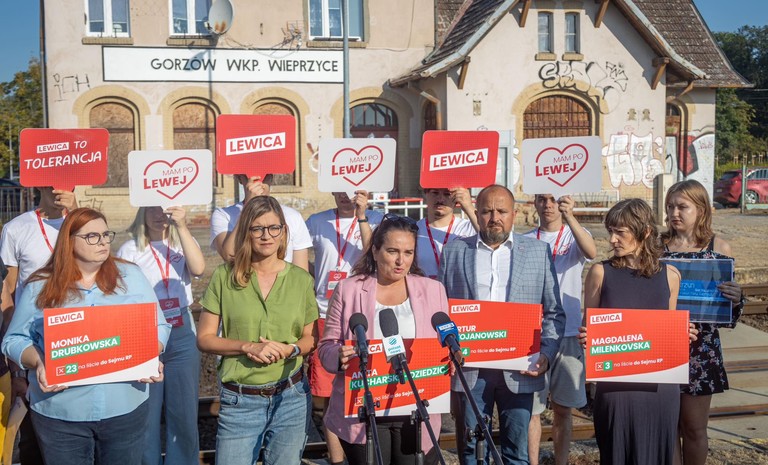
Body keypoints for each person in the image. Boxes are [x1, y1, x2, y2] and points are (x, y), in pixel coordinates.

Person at [1, 207, 170, 465]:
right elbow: (13, 340)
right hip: (61, 414)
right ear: (69, 241)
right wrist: (40, 362)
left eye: (106, 234)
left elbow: (160, 326)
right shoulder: (40, 285)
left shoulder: (131, 275)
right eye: (92, 236)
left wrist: (149, 353)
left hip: (124, 408)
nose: (103, 242)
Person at [439, 184, 565, 465]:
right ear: (476, 213)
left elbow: (554, 313)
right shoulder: (454, 251)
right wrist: (447, 347)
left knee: (516, 453)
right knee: (472, 452)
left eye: (502, 211)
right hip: (471, 368)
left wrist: (546, 354)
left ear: (514, 214)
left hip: (520, 368)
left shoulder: (538, 252)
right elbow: (441, 311)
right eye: (487, 211)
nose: (494, 217)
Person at [317, 213, 448, 465]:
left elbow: (443, 343)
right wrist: (338, 356)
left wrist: (451, 357)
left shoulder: (434, 290)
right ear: (375, 251)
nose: (401, 261)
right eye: (392, 251)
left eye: (408, 253)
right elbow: (326, 346)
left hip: (415, 407)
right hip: (363, 409)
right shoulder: (349, 289)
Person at [197, 196, 318, 465]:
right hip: (240, 400)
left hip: (291, 398)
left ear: (284, 231)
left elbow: (310, 338)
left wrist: (291, 349)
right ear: (246, 232)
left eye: (274, 228)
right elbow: (204, 338)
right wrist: (247, 346)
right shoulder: (224, 277)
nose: (266, 236)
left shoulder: (301, 279)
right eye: (257, 228)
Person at [580, 198, 693, 465]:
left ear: (645, 232)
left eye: (620, 232)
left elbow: (668, 330)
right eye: (610, 231)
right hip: (616, 388)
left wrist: (682, 334)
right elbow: (589, 327)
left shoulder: (670, 276)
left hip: (659, 388)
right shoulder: (600, 272)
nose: (612, 240)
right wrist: (588, 337)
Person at [660, 180, 743, 465]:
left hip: (701, 350)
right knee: (668, 429)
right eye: (670, 206)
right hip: (663, 344)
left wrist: (736, 298)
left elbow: (726, 313)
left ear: (701, 209)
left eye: (682, 207)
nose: (674, 213)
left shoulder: (718, 246)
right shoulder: (656, 246)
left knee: (694, 429)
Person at [117, 206, 206, 465]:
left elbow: (199, 269)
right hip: (144, 329)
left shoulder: (182, 241)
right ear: (142, 212)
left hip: (181, 329)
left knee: (184, 412)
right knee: (147, 412)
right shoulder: (129, 250)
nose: (159, 215)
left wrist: (182, 226)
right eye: (152, 209)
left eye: (164, 209)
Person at [0, 186, 78, 465]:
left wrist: (76, 212)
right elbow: (8, 296)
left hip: (79, 338)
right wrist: (15, 367)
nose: (60, 186)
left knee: (79, 433)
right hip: (34, 344)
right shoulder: (16, 228)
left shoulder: (83, 223)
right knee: (34, 440)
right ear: (39, 182)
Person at [305, 191, 382, 465]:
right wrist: (316, 275)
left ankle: (367, 451)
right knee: (329, 393)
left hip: (365, 313)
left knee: (365, 387)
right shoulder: (317, 221)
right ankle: (337, 460)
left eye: (354, 190)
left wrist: (362, 217)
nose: (347, 195)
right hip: (325, 312)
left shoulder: (378, 219)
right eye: (340, 189)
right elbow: (297, 255)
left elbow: (374, 255)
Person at [524, 194, 596, 465]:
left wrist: (570, 216)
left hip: (569, 333)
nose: (548, 205)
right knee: (531, 410)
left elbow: (591, 252)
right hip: (535, 333)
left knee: (564, 409)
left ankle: (561, 461)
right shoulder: (525, 239)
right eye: (542, 199)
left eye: (554, 199)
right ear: (534, 203)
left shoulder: (575, 234)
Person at [210, 174, 312, 270]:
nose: (258, 182)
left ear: (271, 178)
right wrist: (248, 207)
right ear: (239, 179)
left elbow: (301, 272)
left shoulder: (293, 216)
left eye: (264, 176)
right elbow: (230, 256)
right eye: (250, 176)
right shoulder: (223, 215)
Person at [416, 187, 478, 279]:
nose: (440, 199)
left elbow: (490, 239)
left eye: (447, 194)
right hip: (424, 287)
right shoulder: (414, 230)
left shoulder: (469, 228)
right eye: (435, 193)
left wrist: (469, 207)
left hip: (457, 287)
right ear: (425, 195)